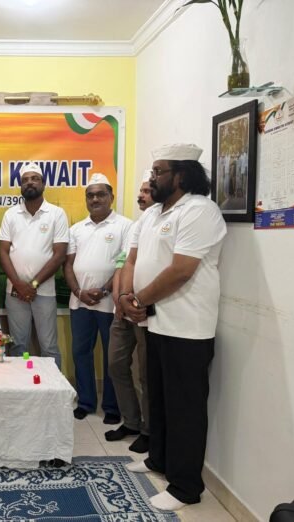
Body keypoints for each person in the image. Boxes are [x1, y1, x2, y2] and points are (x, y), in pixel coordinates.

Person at [120, 144, 227, 511]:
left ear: (181, 175)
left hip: (187, 327)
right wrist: (128, 297)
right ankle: (159, 460)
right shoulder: (153, 214)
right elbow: (133, 260)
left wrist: (139, 300)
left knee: (185, 408)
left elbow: (181, 270)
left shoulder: (199, 211)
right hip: (156, 322)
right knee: (160, 399)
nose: (152, 178)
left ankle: (185, 486)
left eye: (159, 171)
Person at [64, 173, 132, 424]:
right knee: (80, 352)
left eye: (101, 194)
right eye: (90, 195)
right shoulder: (76, 229)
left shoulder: (125, 226)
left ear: (111, 197)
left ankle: (112, 407)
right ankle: (85, 402)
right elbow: (68, 265)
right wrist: (78, 292)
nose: (95, 199)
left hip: (111, 303)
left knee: (111, 357)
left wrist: (104, 290)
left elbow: (124, 263)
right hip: (80, 303)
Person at [0, 161, 68, 368]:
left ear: (43, 184)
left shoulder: (56, 214)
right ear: (20, 185)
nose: (30, 183)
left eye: (35, 179)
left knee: (49, 347)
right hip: (15, 292)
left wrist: (33, 284)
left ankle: (54, 388)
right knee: (18, 346)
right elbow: (3, 251)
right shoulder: (11, 214)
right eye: (25, 180)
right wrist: (19, 285)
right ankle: (21, 386)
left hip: (44, 292)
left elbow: (59, 255)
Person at [105, 170, 155, 453]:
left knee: (147, 374)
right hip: (122, 310)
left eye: (146, 191)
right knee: (115, 364)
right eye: (141, 191)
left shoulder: (161, 227)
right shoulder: (136, 226)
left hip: (144, 311)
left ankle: (148, 430)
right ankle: (132, 422)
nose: (140, 195)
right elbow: (123, 263)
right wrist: (119, 296)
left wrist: (134, 300)